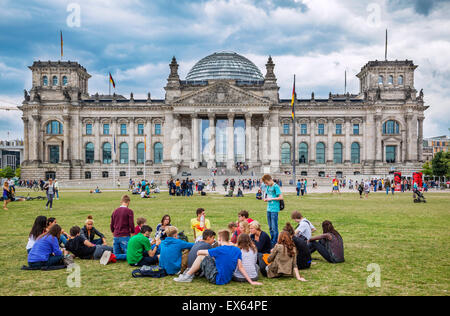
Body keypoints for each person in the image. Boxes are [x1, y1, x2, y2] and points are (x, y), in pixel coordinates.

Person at [174, 230, 262, 286]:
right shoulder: (236, 250)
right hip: (228, 279)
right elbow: (241, 267)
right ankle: (188, 274)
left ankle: (188, 275)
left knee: (201, 256)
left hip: (218, 279)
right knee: (214, 257)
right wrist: (251, 282)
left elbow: (199, 252)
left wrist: (209, 254)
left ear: (219, 239)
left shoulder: (219, 249)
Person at [110, 195, 135, 260]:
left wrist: (113, 231)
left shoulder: (115, 211)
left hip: (116, 235)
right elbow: (131, 224)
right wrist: (132, 232)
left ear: (121, 201)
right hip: (125, 235)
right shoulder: (129, 211)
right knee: (130, 255)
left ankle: (112, 256)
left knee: (117, 254)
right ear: (128, 202)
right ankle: (111, 256)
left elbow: (112, 223)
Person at [262, 174, 283, 247]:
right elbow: (267, 194)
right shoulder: (268, 186)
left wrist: (271, 199)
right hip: (269, 208)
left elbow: (281, 197)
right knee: (270, 226)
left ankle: (275, 241)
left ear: (270, 180)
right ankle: (272, 239)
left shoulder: (276, 186)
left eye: (266, 182)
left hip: (274, 209)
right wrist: (266, 198)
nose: (266, 184)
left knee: (274, 226)